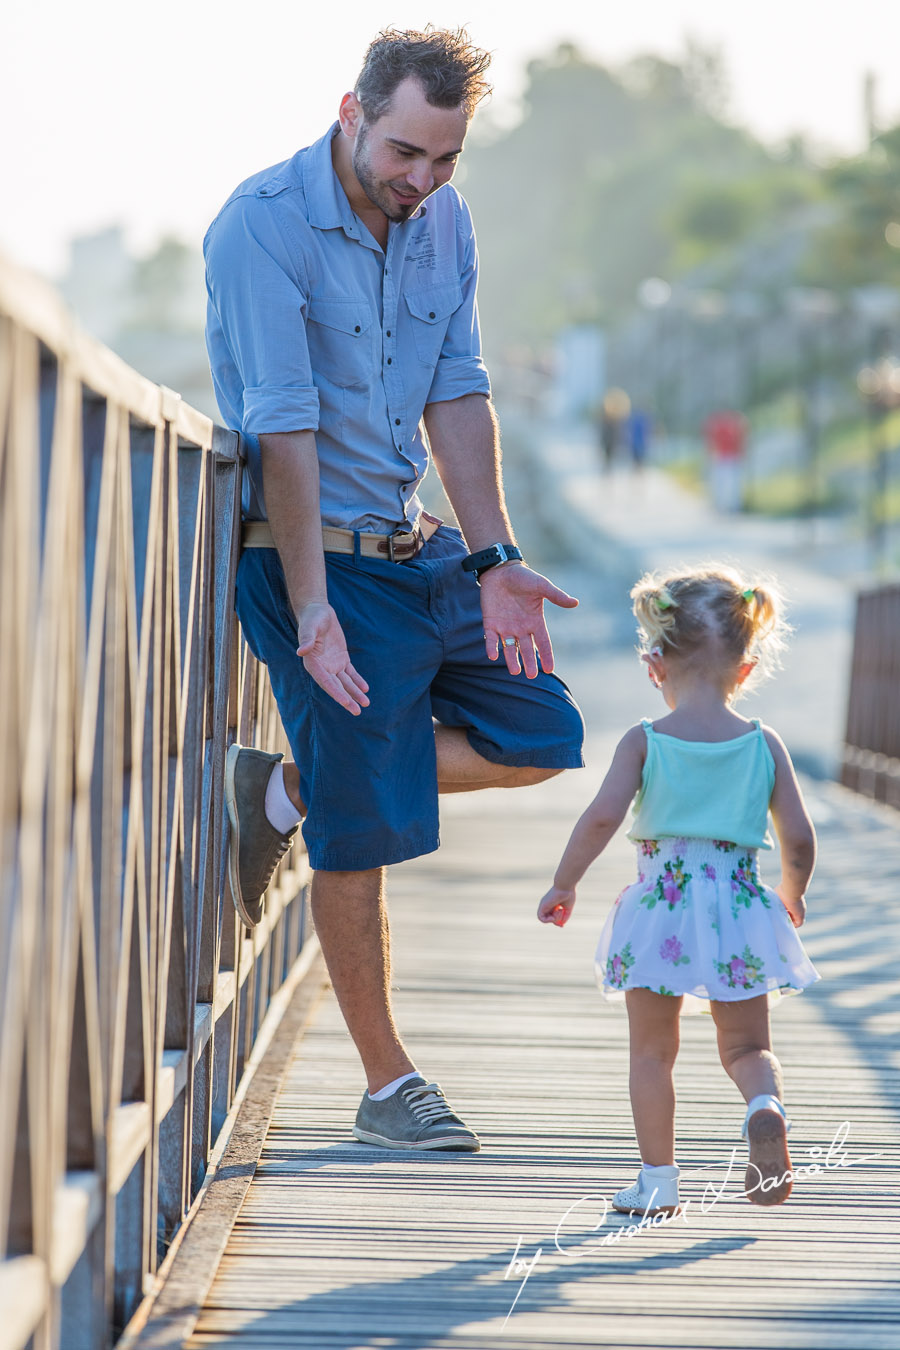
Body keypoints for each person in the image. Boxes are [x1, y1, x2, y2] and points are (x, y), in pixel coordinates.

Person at [203, 27, 585, 1154]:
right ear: (351, 112)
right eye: (407, 152)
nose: (422, 179)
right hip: (307, 555)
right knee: (362, 835)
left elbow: (458, 389)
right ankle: (385, 1089)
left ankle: (283, 789)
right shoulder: (260, 225)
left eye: (446, 159)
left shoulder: (442, 222)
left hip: (415, 549)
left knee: (540, 731)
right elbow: (283, 419)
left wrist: (494, 556)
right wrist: (314, 608)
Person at [538, 566, 818, 1215]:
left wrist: (564, 881)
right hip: (742, 906)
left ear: (653, 664)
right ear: (745, 670)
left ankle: (658, 1182)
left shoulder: (644, 740)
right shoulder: (762, 743)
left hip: (661, 910)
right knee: (749, 1046)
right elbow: (799, 836)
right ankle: (764, 1106)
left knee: (652, 1052)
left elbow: (603, 817)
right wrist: (792, 893)